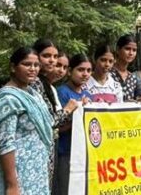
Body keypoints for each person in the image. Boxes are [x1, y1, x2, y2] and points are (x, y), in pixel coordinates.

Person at [0, 47, 56, 195]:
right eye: (26, 64)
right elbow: (5, 144)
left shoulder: (33, 94)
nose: (33, 69)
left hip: (36, 171)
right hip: (19, 173)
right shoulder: (8, 100)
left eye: (36, 65)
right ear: (13, 67)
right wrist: (12, 185)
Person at [53, 54, 92, 195]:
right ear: (70, 71)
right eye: (81, 70)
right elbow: (58, 127)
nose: (85, 74)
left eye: (89, 70)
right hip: (65, 152)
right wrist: (77, 117)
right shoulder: (61, 93)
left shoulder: (88, 95)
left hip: (83, 155)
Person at [111, 35, 140, 101]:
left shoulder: (132, 77)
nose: (131, 53)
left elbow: (132, 99)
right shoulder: (108, 73)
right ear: (118, 49)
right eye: (127, 49)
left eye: (134, 50)